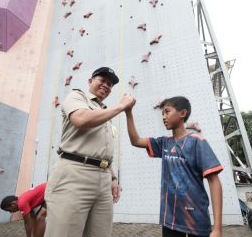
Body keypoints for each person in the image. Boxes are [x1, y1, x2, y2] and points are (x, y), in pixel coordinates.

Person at [44, 67, 135, 237]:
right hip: (74, 174)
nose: (106, 85)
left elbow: (100, 150)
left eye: (110, 84)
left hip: (103, 178)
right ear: (90, 81)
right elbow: (81, 119)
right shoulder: (78, 97)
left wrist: (113, 177)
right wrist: (122, 106)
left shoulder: (104, 111)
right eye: (102, 80)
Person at [125, 96, 223, 237]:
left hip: (196, 221)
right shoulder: (164, 143)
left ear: (182, 113)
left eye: (167, 112)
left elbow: (214, 182)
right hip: (170, 220)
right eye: (162, 114)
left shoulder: (197, 142)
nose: (163, 117)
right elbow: (135, 140)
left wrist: (218, 228)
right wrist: (128, 112)